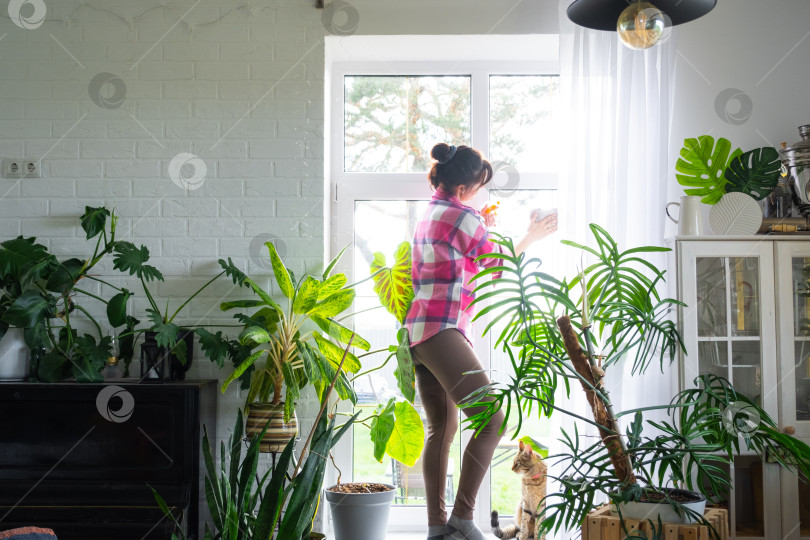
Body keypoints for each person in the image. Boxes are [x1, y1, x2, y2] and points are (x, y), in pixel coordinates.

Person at [405, 143, 557, 540]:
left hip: (420, 333)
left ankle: (438, 529)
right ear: (463, 188)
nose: (478, 194)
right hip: (442, 328)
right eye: (477, 186)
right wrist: (531, 235)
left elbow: (466, 263)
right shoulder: (461, 215)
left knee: (442, 426)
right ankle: (461, 517)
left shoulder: (430, 213)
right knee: (492, 419)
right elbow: (498, 264)